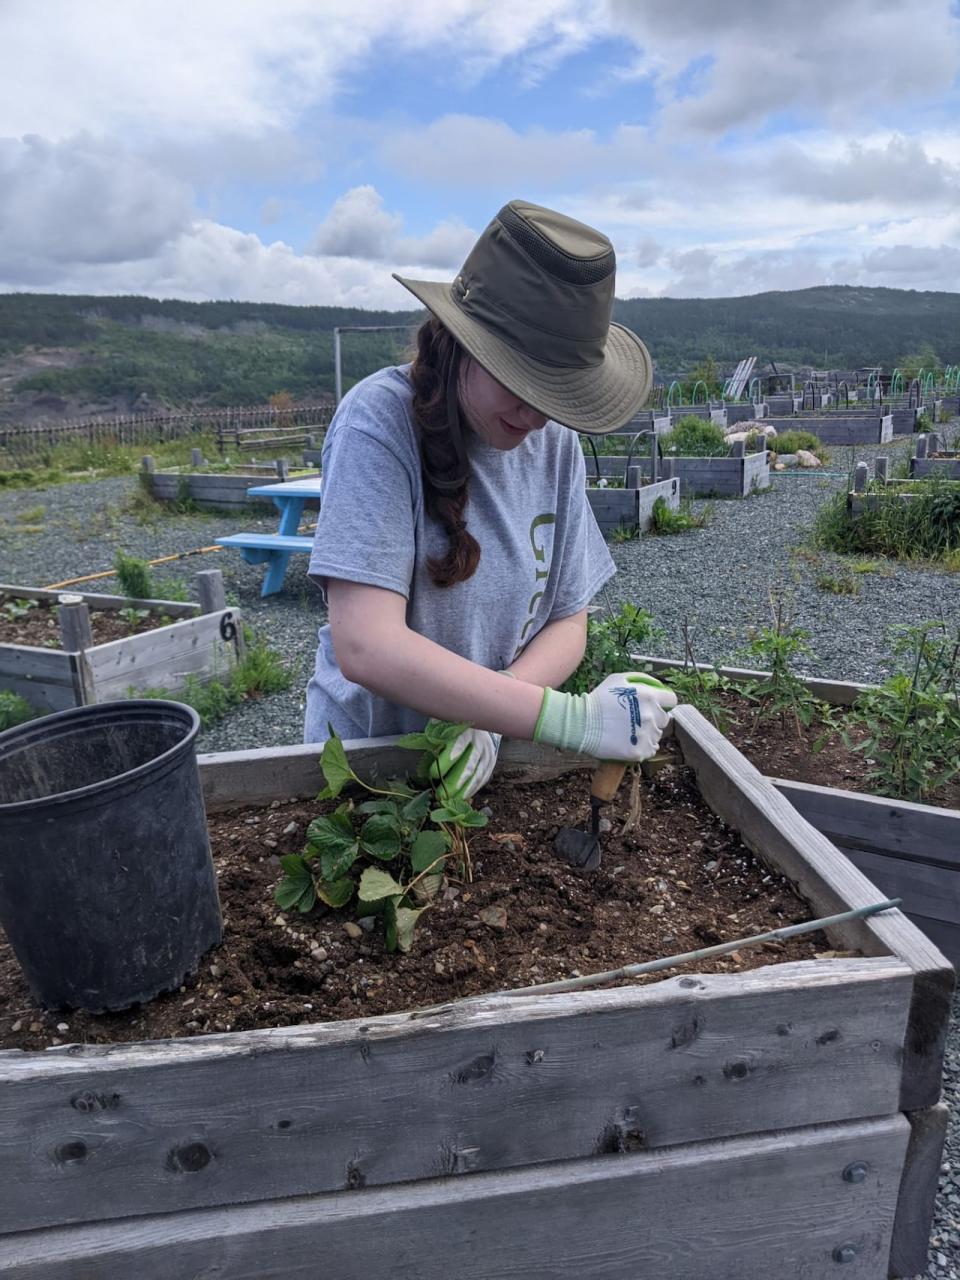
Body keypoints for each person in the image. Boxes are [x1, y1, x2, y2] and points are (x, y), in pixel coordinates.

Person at [304, 198, 677, 798]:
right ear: (466, 344)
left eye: (556, 393)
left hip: (480, 768)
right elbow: (365, 644)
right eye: (521, 380)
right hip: (367, 770)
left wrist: (493, 716)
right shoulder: (378, 423)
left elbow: (567, 618)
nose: (535, 414)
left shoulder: (553, 443)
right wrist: (567, 719)